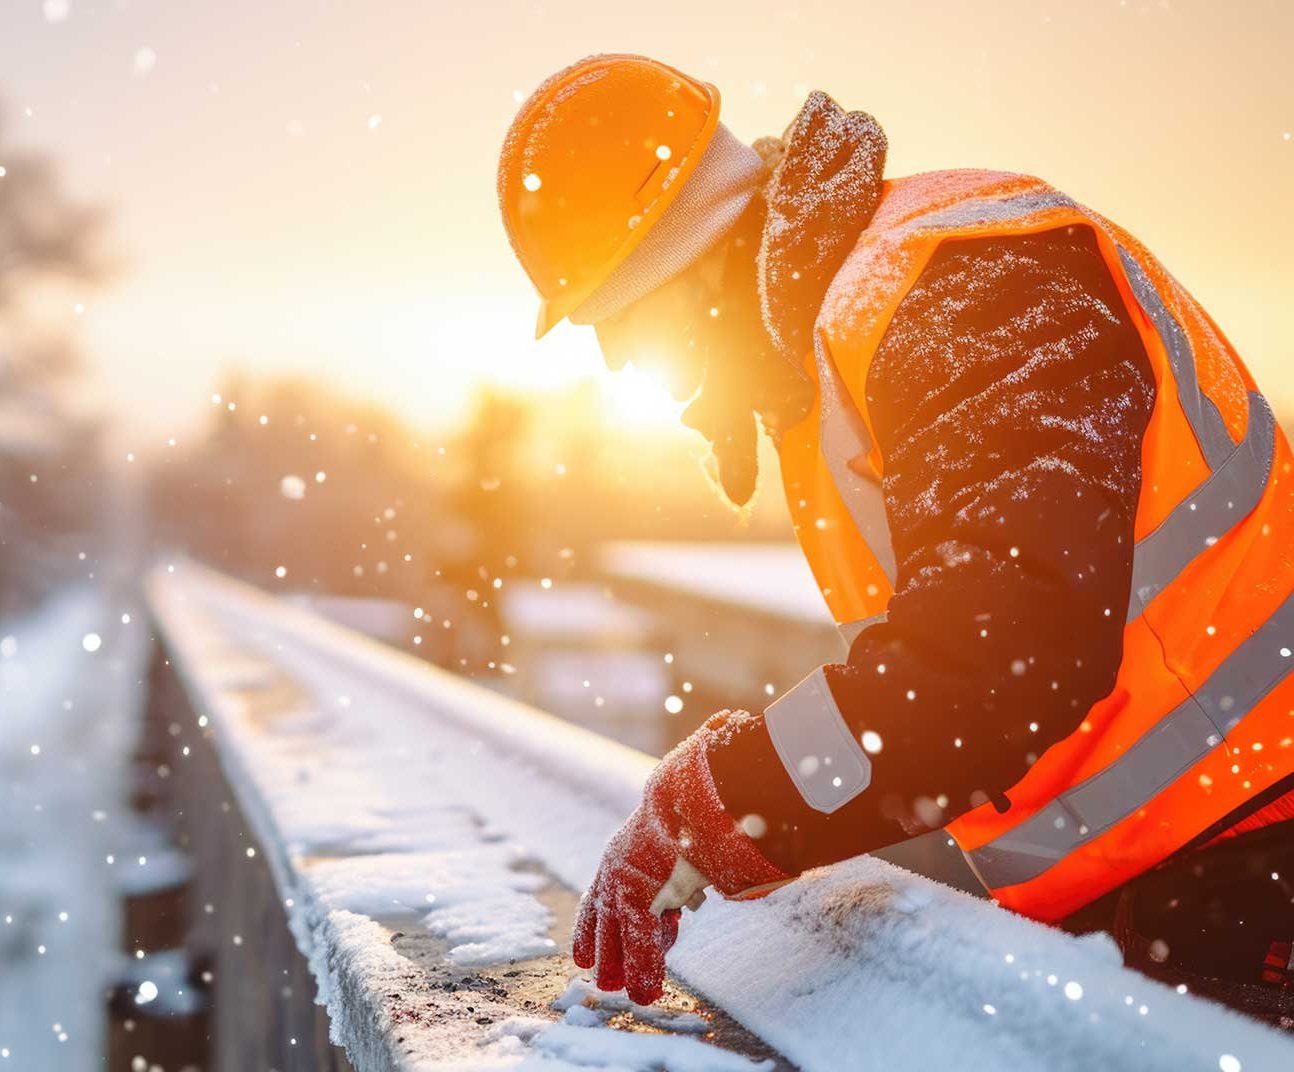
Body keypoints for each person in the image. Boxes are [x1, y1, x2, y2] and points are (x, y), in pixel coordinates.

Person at [496, 54, 1294, 1021]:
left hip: (1254, 859)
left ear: (692, 254)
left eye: (620, 316)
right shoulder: (851, 349)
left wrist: (729, 797)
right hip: (1186, 876)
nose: (620, 361)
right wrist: (736, 787)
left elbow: (997, 657)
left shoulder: (955, 289)